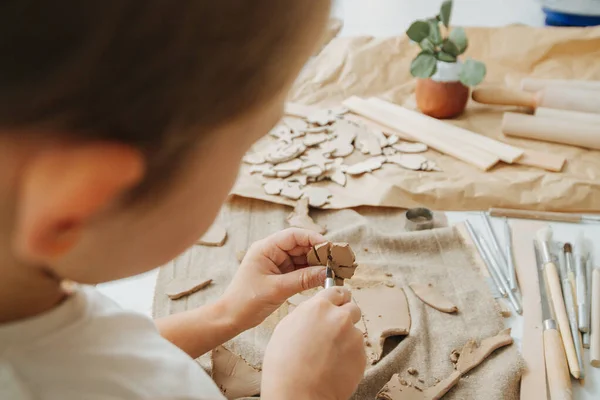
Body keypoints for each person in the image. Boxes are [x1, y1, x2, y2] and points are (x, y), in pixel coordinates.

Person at [0, 1, 366, 399]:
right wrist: (300, 392)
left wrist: (226, 314)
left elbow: (99, 350)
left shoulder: (28, 292)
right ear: (78, 204)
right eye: (243, 148)